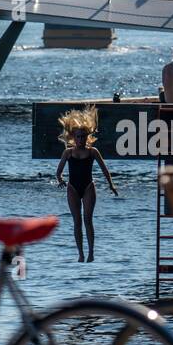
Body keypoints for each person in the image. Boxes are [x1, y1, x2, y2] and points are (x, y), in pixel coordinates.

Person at [55, 106, 118, 263]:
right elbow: (58, 172)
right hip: (73, 188)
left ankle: (91, 252)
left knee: (88, 219)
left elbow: (105, 170)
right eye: (78, 136)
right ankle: (80, 254)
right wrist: (60, 180)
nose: (81, 139)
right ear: (73, 137)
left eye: (83, 136)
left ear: (87, 137)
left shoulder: (92, 152)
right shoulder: (68, 153)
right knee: (77, 221)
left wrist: (111, 185)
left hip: (89, 187)